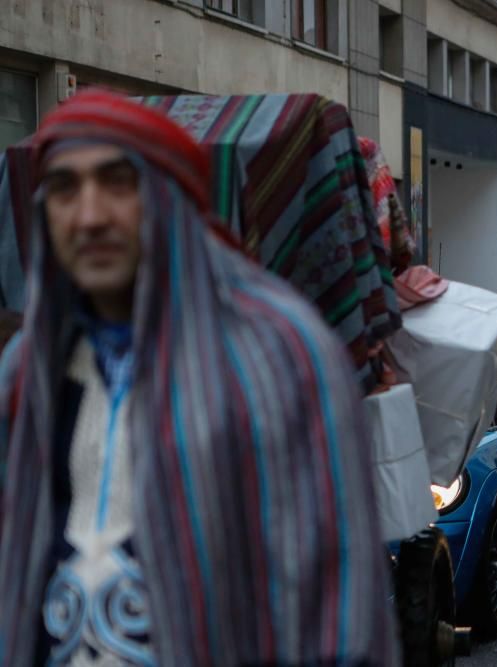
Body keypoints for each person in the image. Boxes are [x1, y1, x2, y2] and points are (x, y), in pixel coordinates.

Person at [0, 91, 398, 665]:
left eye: (117, 183)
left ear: (167, 202)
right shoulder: (27, 367)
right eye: (65, 189)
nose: (89, 216)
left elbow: (335, 608)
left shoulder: (279, 356)